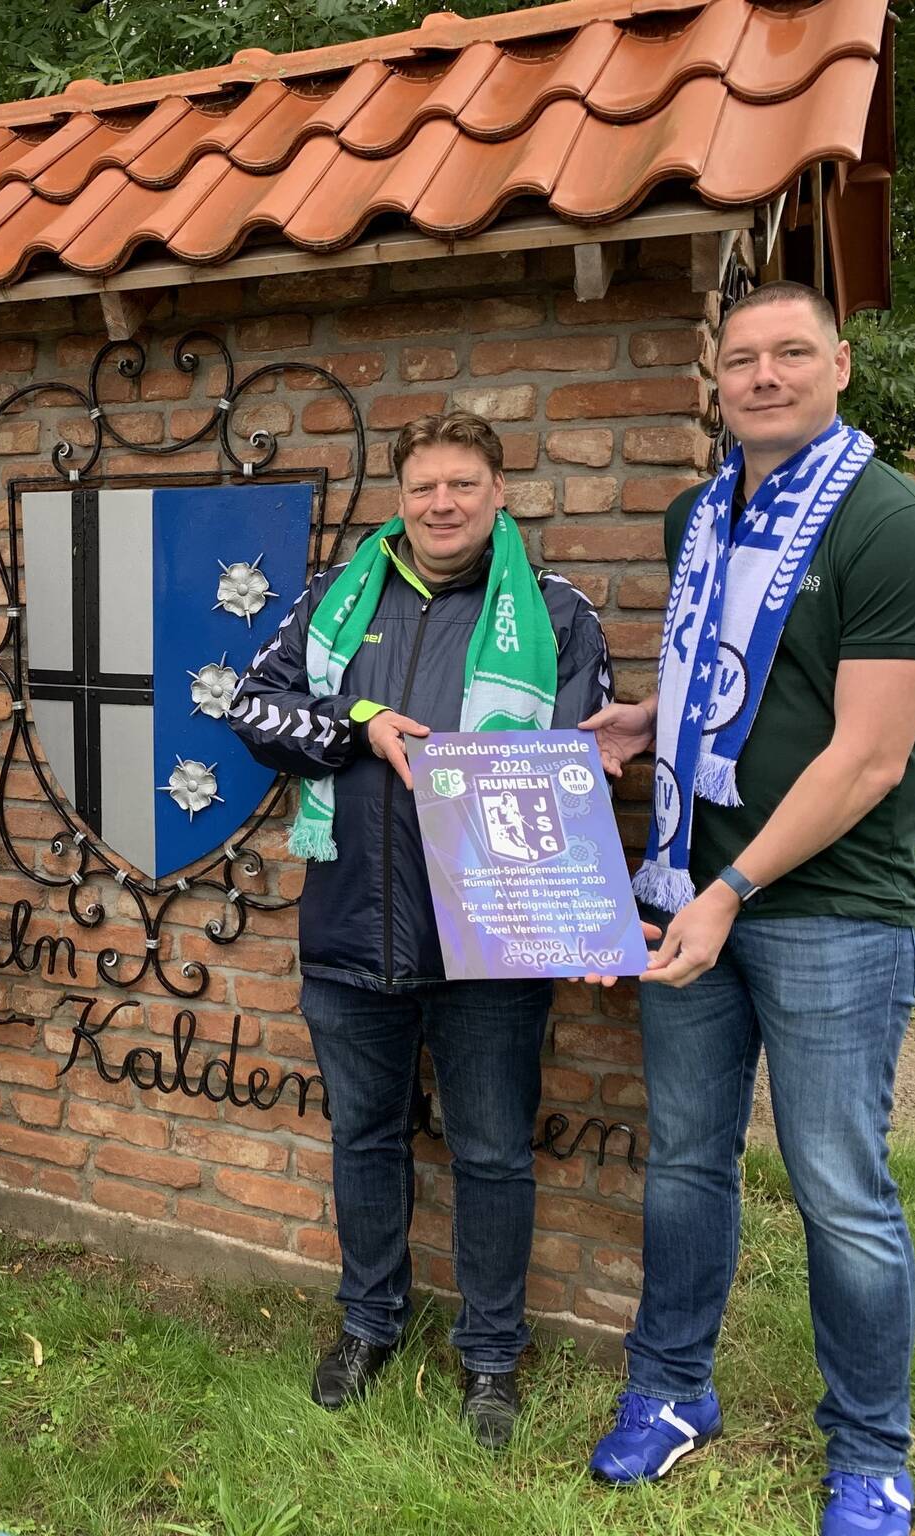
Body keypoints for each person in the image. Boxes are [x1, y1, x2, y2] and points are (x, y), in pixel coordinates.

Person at [580, 281, 915, 1536]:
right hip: (685, 892)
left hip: (824, 913)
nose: (760, 376)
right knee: (684, 1161)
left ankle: (867, 1452)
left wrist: (736, 890)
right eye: (739, 358)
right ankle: (673, 1389)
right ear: (716, 379)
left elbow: (862, 757)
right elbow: (722, 671)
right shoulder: (703, 510)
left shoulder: (890, 519)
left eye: (788, 353)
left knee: (837, 1188)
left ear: (837, 364)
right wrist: (646, 719)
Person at [228, 412, 612, 1445]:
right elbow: (250, 712)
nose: (440, 503)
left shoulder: (558, 615)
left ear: (497, 493)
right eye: (422, 486)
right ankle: (368, 1323)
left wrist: (589, 915)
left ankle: (489, 1357)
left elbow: (576, 772)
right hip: (351, 926)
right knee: (363, 1138)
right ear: (398, 497)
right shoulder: (334, 602)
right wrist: (356, 724)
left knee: (490, 1153)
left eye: (461, 484)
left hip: (488, 940)